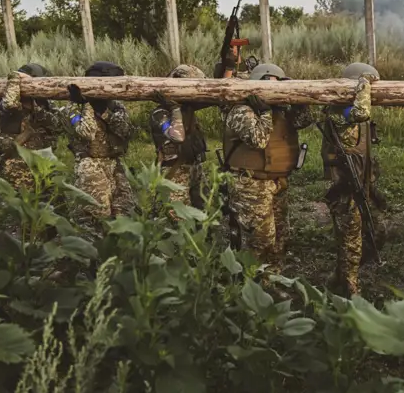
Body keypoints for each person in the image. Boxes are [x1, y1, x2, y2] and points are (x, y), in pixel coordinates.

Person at [220, 63, 313, 273]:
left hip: (278, 182)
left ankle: (272, 280)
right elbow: (258, 139)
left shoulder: (281, 110)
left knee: (280, 238)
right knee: (260, 241)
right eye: (269, 85)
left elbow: (304, 120)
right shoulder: (241, 111)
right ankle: (252, 288)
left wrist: (297, 99)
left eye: (277, 85)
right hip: (252, 185)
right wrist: (264, 112)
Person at [319, 62, 382, 297]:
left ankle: (341, 275)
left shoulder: (347, 108)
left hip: (361, 180)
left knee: (370, 231)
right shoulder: (338, 111)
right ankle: (350, 285)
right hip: (343, 184)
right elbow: (361, 113)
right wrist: (364, 85)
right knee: (350, 236)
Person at [63, 61, 135, 239]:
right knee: (96, 215)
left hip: (114, 164)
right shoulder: (73, 107)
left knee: (124, 210)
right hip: (91, 165)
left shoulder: (115, 106)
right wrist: (87, 105)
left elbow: (124, 130)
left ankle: (118, 254)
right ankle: (91, 261)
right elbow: (86, 132)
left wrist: (105, 112)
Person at [0, 63, 62, 191]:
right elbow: (10, 104)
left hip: (45, 164)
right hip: (18, 167)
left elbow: (57, 125)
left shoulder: (45, 104)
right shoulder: (10, 102)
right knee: (22, 206)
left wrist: (36, 109)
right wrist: (14, 77)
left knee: (51, 206)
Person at [150, 64, 209, 210]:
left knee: (202, 211)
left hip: (195, 168)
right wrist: (174, 109)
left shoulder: (187, 108)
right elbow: (177, 137)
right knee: (178, 217)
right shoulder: (160, 113)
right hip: (174, 171)